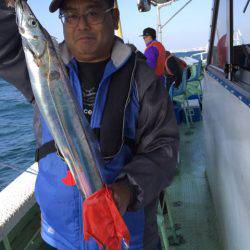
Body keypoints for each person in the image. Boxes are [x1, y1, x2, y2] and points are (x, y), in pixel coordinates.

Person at [0, 0, 179, 249]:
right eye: (71, 16)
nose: (81, 25)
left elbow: (164, 150)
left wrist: (127, 190)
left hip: (128, 237)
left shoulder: (143, 79)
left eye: (93, 13)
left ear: (114, 18)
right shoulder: (39, 69)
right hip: (59, 239)